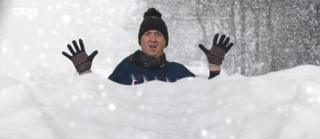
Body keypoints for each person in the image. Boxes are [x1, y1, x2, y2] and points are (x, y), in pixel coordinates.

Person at [62, 8, 233, 85]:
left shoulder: (178, 72)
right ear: (140, 40)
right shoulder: (125, 69)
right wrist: (85, 73)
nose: (153, 38)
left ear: (165, 41)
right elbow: (102, 104)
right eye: (147, 34)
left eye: (158, 34)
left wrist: (214, 68)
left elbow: (209, 102)